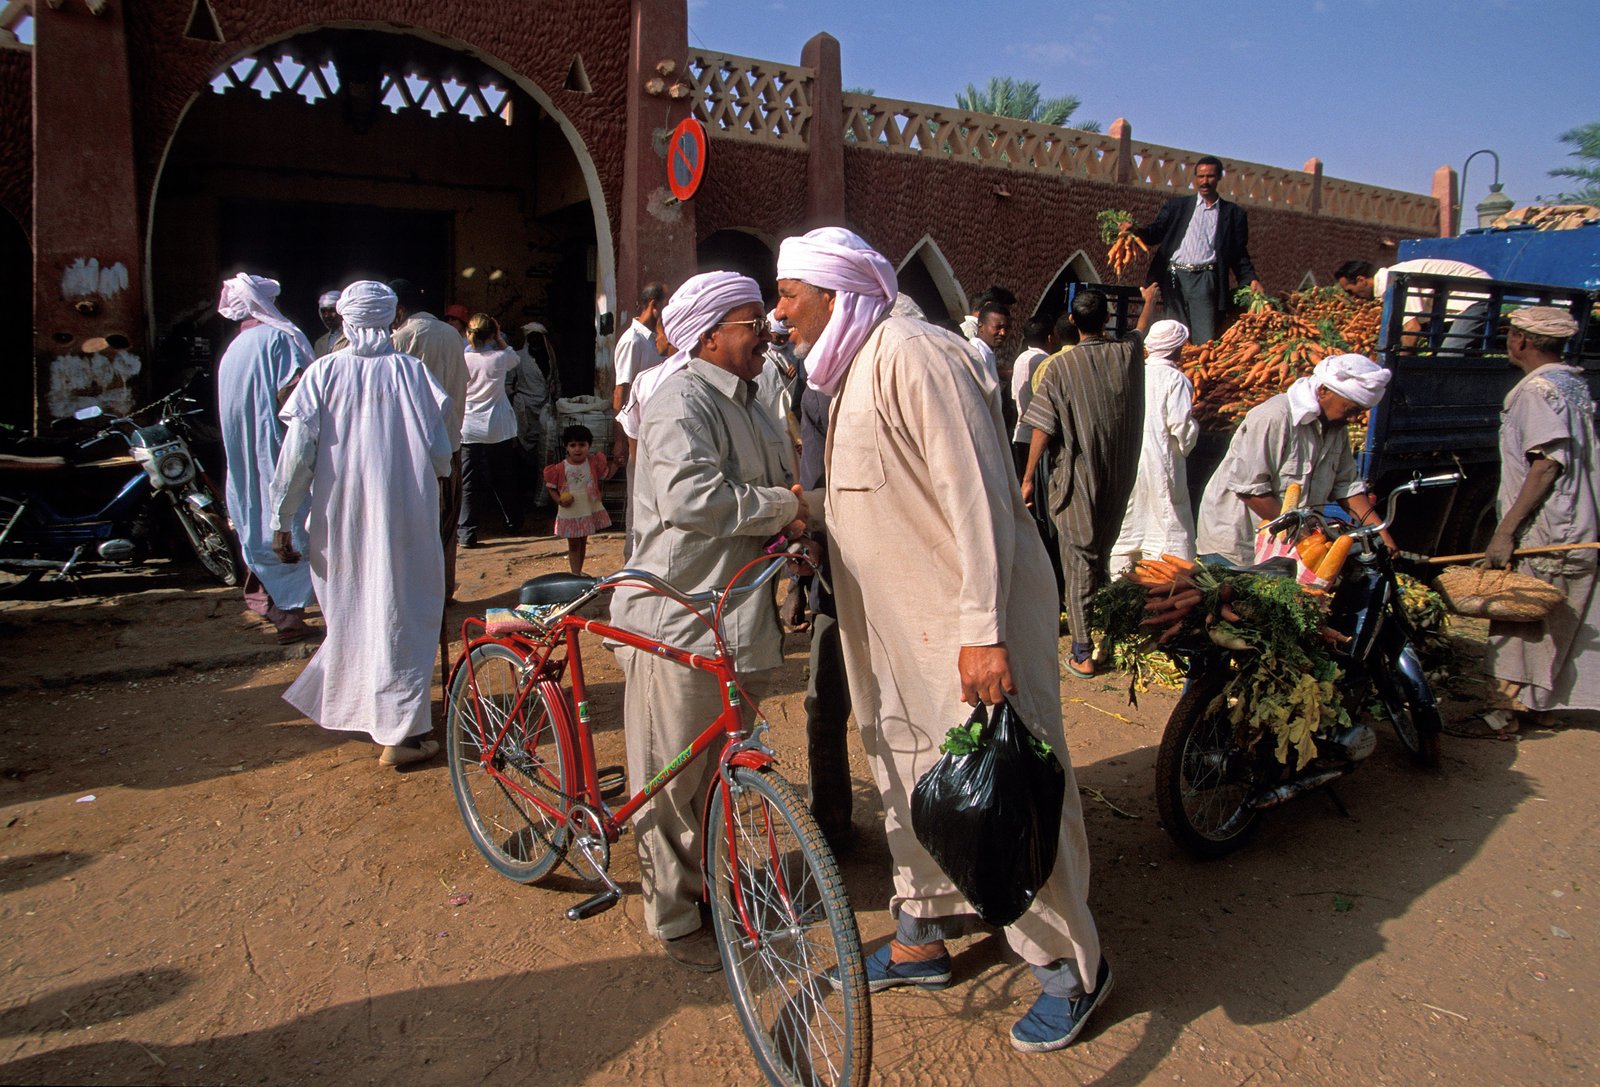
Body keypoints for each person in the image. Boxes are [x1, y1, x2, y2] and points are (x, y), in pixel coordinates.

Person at [775, 227, 1108, 1054]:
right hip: (897, 641)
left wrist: (982, 632)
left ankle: (1072, 967)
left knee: (1009, 788)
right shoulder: (853, 368)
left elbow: (978, 499)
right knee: (911, 779)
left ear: (836, 292)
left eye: (788, 294)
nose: (779, 313)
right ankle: (923, 932)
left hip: (964, 630)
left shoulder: (916, 354)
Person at [607, 271, 805, 971]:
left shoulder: (752, 401)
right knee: (669, 780)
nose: (767, 333)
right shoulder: (678, 401)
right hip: (677, 619)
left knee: (718, 771)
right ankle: (674, 914)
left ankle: (711, 883)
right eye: (753, 322)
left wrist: (792, 533)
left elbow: (775, 489)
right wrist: (786, 508)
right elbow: (695, 498)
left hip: (736, 617)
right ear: (712, 334)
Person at [268, 281, 453, 768]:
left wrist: (282, 518)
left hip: (341, 515)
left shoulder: (323, 373)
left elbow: (296, 459)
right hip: (406, 512)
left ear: (346, 321)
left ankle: (390, 723)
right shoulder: (412, 374)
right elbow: (439, 454)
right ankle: (400, 731)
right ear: (392, 320)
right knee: (402, 609)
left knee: (357, 608)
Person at [1021, 284, 1157, 678]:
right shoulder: (1128, 353)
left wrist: (1027, 478)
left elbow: (1042, 428)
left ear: (1074, 323)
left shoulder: (1061, 367)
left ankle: (1082, 652)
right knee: (1098, 557)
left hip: (1078, 478)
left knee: (1079, 563)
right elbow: (1141, 329)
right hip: (1117, 478)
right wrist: (1148, 301)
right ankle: (1105, 638)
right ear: (1105, 321)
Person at [1482, 305, 1599, 730]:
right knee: (1558, 617)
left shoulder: (1536, 391)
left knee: (1523, 614)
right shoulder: (1572, 385)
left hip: (1551, 526)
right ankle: (1538, 706)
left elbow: (1546, 464)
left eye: (1511, 334)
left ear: (1522, 341)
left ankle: (1506, 712)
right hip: (1578, 521)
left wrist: (1505, 532)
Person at [1194, 353, 1393, 566]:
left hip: (1289, 545)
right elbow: (1249, 489)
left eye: (1359, 412)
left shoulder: (1336, 429)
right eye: (1350, 410)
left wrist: (1382, 536)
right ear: (1323, 391)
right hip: (1238, 544)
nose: (1353, 419)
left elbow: (1347, 487)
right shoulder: (1275, 417)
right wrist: (1303, 536)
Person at [214, 272, 317, 644]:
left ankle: (263, 599)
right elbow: (294, 394)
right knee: (291, 524)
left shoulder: (233, 350)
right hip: (279, 450)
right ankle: (290, 615)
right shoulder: (278, 338)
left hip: (244, 455)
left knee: (254, 517)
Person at [1123, 155, 1261, 344]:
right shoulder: (1177, 207)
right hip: (1173, 274)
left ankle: (1199, 369)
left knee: (1205, 337)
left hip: (1205, 277)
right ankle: (1173, 370)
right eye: (1201, 176)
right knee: (1174, 331)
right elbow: (1155, 232)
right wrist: (1136, 231)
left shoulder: (1233, 214)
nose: (1205, 181)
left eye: (1210, 176)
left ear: (1219, 177)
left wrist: (1251, 280)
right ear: (1195, 178)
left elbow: (1239, 254)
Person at [390, 278, 469, 598]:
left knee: (417, 526)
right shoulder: (453, 335)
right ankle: (443, 589)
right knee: (447, 524)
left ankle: (420, 594)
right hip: (450, 441)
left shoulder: (400, 338)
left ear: (399, 309)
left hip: (415, 448)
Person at [1110, 319, 1199, 571]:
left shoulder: (1132, 373)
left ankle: (1120, 579)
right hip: (1161, 459)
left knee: (1129, 523)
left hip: (1130, 459)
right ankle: (1168, 579)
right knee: (1167, 522)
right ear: (1177, 348)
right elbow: (1180, 426)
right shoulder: (1176, 379)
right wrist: (1193, 431)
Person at [612, 282, 668, 553]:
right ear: (654, 306)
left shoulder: (653, 339)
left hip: (655, 432)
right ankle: (630, 562)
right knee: (637, 503)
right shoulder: (632, 341)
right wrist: (620, 441)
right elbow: (621, 392)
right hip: (636, 432)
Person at [458, 314, 522, 547]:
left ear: (468, 333)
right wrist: (499, 337)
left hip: (469, 426)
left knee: (468, 481)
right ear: (492, 334)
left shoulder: (461, 358)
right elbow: (515, 358)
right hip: (498, 427)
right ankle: (513, 521)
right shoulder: (499, 357)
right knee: (504, 476)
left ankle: (467, 532)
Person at [542, 424, 611, 574]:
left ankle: (578, 572)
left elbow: (606, 474)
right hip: (570, 509)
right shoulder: (561, 468)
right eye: (572, 445)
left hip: (586, 507)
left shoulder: (592, 462)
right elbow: (551, 486)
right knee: (573, 543)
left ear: (589, 446)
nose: (577, 449)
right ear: (566, 447)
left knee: (582, 541)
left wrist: (618, 463)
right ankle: (575, 574)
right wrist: (559, 500)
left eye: (582, 445)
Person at [1010, 316, 1054, 479]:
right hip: (1037, 439)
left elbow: (1015, 396)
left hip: (1020, 433)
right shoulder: (1047, 362)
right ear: (1050, 337)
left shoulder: (1020, 359)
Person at [968, 300, 1010, 382]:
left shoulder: (986, 351)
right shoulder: (977, 353)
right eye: (998, 327)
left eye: (1006, 328)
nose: (1003, 333)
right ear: (981, 325)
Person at [312, 290, 344, 358]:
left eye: (331, 310)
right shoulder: (319, 343)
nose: (327, 315)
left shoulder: (352, 338)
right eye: (323, 311)